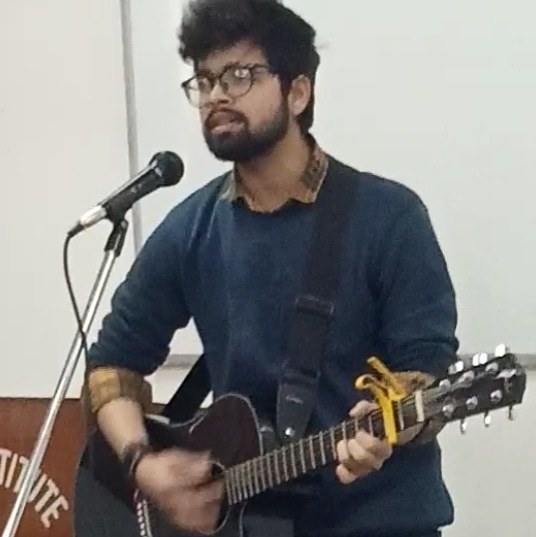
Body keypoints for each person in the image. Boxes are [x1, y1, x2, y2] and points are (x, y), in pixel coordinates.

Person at [83, 1, 459, 536]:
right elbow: (111, 367)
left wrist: (388, 427)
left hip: (378, 522)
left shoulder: (389, 217)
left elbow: (426, 370)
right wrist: (143, 464)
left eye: (240, 76)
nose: (216, 95)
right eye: (205, 80)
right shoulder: (191, 229)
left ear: (297, 92)